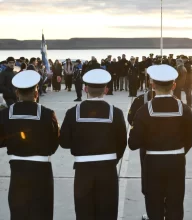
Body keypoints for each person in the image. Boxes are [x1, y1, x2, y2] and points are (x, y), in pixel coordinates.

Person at [59, 69, 127, 220]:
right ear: (106, 90)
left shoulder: (72, 112)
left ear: (85, 89)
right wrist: (111, 160)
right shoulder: (115, 113)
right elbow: (122, 142)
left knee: (84, 212)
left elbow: (63, 142)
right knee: (107, 212)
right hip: (108, 170)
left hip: (83, 171)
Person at [128, 65, 192, 220]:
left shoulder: (143, 110)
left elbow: (132, 143)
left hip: (153, 163)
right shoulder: (184, 109)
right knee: (175, 205)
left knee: (154, 206)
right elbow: (189, 141)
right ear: (174, 85)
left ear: (152, 84)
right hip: (176, 162)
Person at [0, 70, 60, 220]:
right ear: (36, 92)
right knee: (42, 211)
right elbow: (54, 144)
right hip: (42, 170)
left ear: (17, 93)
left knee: (19, 212)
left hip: (18, 169)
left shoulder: (5, 114)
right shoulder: (47, 113)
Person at [127, 83, 155, 220]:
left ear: (152, 83)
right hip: (173, 153)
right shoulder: (178, 104)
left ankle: (152, 214)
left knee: (149, 184)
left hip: (147, 150)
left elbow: (130, 119)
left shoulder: (140, 101)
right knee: (171, 186)